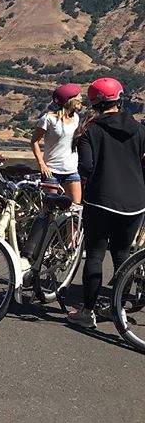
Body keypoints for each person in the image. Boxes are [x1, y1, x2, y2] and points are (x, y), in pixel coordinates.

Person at [67, 77, 145, 328]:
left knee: (96, 255)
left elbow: (87, 167)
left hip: (101, 200)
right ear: (119, 98)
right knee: (122, 254)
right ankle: (117, 308)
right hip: (135, 201)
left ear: (94, 101)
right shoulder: (138, 128)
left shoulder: (90, 129)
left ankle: (87, 312)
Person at [30, 83, 83, 203]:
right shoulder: (48, 119)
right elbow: (34, 141)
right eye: (78, 97)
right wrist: (41, 164)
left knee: (75, 208)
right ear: (69, 100)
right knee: (49, 211)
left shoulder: (76, 118)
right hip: (51, 171)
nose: (81, 99)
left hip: (71, 170)